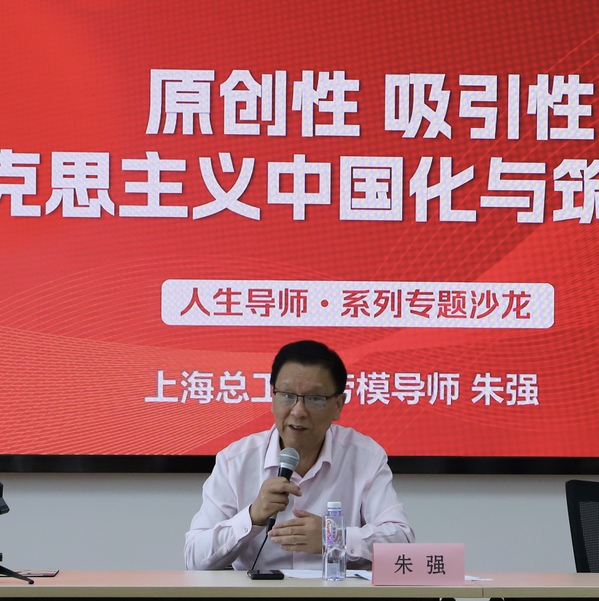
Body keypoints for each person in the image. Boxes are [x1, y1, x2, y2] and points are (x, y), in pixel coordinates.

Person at [184, 339, 415, 571]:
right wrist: (252, 517)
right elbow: (195, 558)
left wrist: (334, 538)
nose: (298, 411)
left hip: (336, 590)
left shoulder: (365, 457)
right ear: (272, 396)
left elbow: (401, 542)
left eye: (315, 399)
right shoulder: (235, 461)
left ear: (338, 405)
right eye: (287, 395)